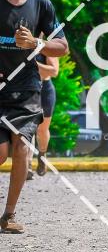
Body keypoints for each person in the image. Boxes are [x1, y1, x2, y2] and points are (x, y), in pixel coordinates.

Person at [0, 0, 68, 234]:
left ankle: (9, 215)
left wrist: (36, 43)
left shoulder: (42, 3)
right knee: (0, 152)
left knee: (21, 146)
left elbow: (62, 46)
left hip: (27, 88)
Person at [26, 49, 58, 179]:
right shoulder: (16, 46)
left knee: (41, 129)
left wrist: (31, 64)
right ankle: (27, 165)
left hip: (44, 90)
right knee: (26, 128)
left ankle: (42, 155)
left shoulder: (46, 47)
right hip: (25, 89)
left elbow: (53, 71)